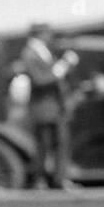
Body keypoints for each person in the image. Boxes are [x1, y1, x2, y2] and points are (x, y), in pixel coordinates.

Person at [15, 23, 78, 188]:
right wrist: (63, 66)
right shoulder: (29, 54)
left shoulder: (43, 52)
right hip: (43, 107)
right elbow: (40, 79)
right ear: (40, 33)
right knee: (43, 144)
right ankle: (40, 180)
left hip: (54, 107)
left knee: (59, 143)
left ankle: (58, 179)